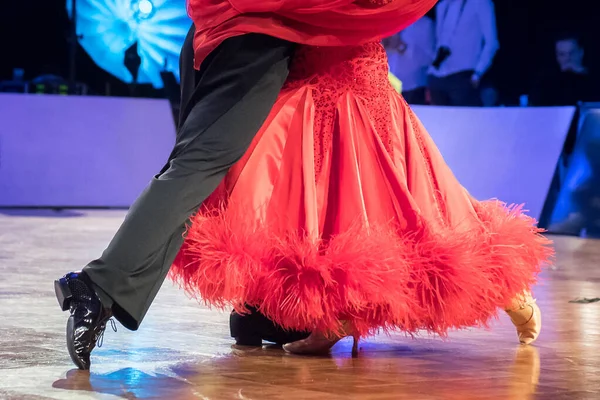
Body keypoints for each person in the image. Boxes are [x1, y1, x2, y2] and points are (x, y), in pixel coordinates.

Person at [54, 0, 437, 370]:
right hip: (253, 36)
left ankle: (263, 309)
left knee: (208, 171)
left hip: (221, 31)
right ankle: (98, 286)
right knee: (199, 166)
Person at [170, 0, 552, 355]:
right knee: (299, 199)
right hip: (301, 73)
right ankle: (319, 312)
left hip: (352, 74)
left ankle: (507, 290)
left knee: (411, 205)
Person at [427, 0, 499, 106]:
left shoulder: (480, 3)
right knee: (437, 121)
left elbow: (491, 43)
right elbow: (439, 41)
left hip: (463, 75)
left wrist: (477, 74)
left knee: (465, 120)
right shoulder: (442, 6)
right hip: (437, 75)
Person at [529, 33, 600, 106]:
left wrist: (581, 74)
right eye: (562, 54)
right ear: (557, 56)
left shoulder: (595, 78)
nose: (567, 58)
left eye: (572, 53)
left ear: (581, 52)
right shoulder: (545, 81)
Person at [384, 15, 435, 104]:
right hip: (386, 87)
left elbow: (429, 60)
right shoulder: (386, 22)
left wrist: (403, 47)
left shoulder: (425, 24)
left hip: (413, 88)